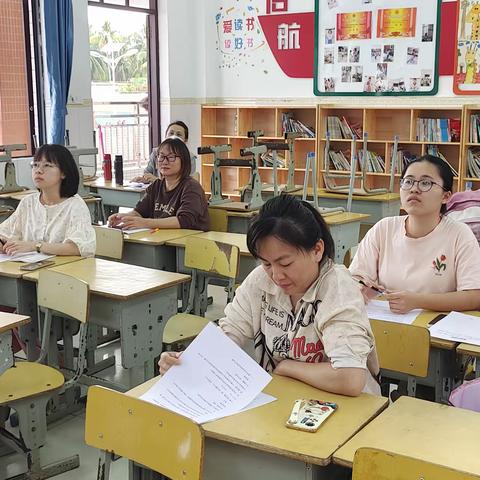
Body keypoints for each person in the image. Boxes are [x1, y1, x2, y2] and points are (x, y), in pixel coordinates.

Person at [159, 195, 380, 396]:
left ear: (317, 250)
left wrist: (287, 367)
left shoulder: (338, 288)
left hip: (350, 408)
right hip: (287, 399)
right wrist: (189, 361)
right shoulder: (260, 281)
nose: (276, 275)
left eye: (285, 263)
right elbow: (228, 335)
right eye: (266, 263)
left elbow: (349, 378)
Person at [350, 154, 480, 313]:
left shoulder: (459, 234)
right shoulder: (384, 228)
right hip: (386, 321)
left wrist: (418, 301)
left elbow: (474, 296)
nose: (414, 189)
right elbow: (355, 278)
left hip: (434, 327)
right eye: (408, 181)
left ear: (446, 196)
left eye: (426, 183)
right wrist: (357, 289)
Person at [0, 144, 95, 257]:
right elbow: (5, 233)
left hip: (62, 271)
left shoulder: (75, 205)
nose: (38, 170)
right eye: (35, 165)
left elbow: (78, 248)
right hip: (27, 270)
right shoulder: (28, 203)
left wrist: (35, 246)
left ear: (63, 173)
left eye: (47, 165)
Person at [108, 137, 209, 231]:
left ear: (184, 161)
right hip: (162, 239)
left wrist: (145, 223)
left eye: (171, 157)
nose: (164, 162)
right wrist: (122, 217)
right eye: (161, 156)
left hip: (187, 243)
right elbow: (139, 212)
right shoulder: (157, 186)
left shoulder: (191, 187)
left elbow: (184, 221)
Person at [132, 120, 197, 183]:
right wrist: (145, 179)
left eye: (178, 134)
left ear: (185, 140)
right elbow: (147, 173)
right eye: (171, 133)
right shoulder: (156, 153)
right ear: (165, 136)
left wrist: (157, 181)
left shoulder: (189, 156)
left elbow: (186, 182)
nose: (174, 136)